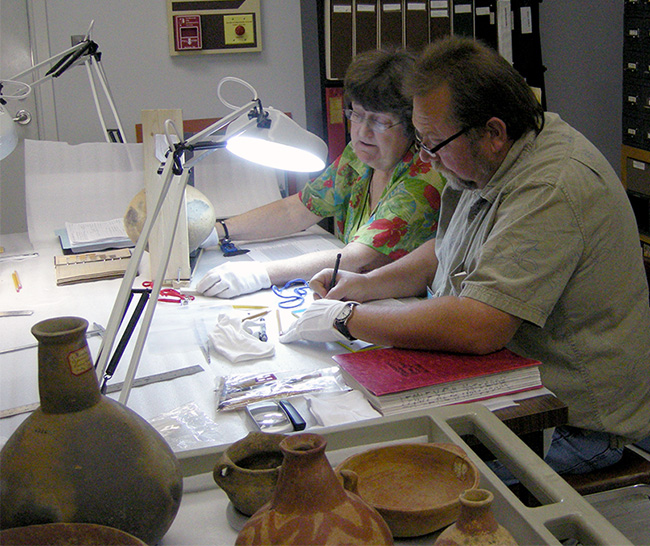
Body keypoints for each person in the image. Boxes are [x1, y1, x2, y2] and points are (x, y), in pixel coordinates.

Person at [280, 36, 650, 477]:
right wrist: (365, 286)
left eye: (433, 143)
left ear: (492, 132)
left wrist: (345, 319)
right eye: (420, 140)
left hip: (570, 421)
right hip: (509, 385)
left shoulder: (550, 186)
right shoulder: (485, 154)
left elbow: (480, 326)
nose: (426, 157)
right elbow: (445, 247)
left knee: (395, 476)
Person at [196, 49, 446, 298]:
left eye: (379, 121)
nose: (362, 132)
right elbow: (297, 210)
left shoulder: (422, 179)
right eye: (357, 115)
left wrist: (260, 274)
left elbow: (357, 259)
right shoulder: (359, 158)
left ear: (411, 124)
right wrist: (216, 231)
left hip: (403, 308)